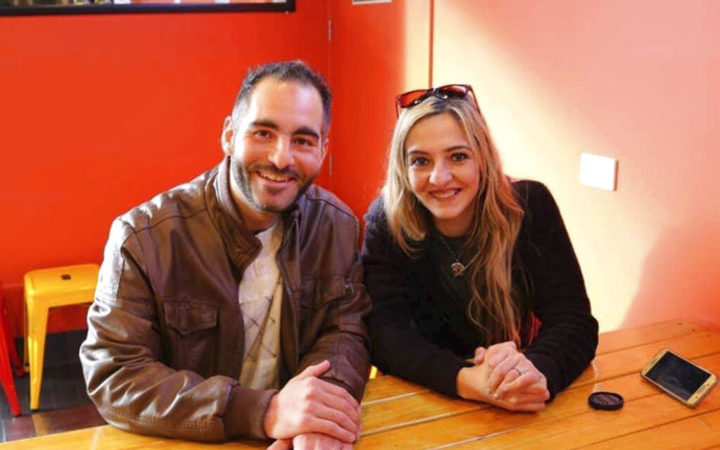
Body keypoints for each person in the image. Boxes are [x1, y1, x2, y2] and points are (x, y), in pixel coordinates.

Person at [80, 61, 371, 448]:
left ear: (323, 148)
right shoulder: (143, 238)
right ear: (230, 135)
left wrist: (318, 410)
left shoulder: (337, 225)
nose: (282, 158)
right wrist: (263, 411)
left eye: (303, 140)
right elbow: (116, 375)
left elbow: (346, 330)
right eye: (263, 133)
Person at [361, 84, 598, 412]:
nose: (439, 177)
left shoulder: (530, 207)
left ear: (482, 157)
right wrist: (467, 380)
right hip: (426, 396)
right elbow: (385, 335)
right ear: (403, 167)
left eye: (457, 156)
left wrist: (537, 371)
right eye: (420, 161)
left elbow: (574, 321)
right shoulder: (387, 221)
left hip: (515, 391)